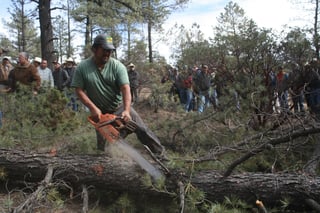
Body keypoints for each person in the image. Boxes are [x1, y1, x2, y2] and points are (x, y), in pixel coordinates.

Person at [71, 34, 165, 156]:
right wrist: (93, 108)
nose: (107, 53)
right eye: (104, 50)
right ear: (95, 49)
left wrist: (126, 110)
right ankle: (105, 166)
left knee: (142, 129)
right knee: (104, 147)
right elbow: (78, 90)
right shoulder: (82, 68)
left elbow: (125, 88)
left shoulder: (117, 66)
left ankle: (162, 157)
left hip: (118, 107)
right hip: (100, 113)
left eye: (110, 51)